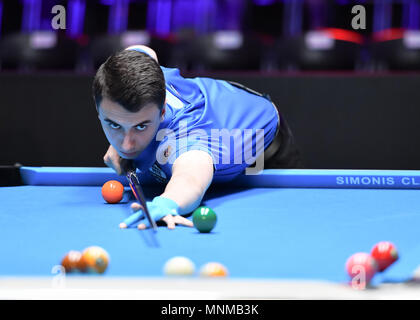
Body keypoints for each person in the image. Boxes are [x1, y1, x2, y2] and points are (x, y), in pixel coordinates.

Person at [92, 45, 304, 230]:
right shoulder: (142, 79)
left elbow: (190, 178)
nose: (126, 143)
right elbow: (141, 51)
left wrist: (168, 202)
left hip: (260, 142)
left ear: (163, 111)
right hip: (218, 100)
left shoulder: (186, 140)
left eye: (140, 126)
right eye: (114, 124)